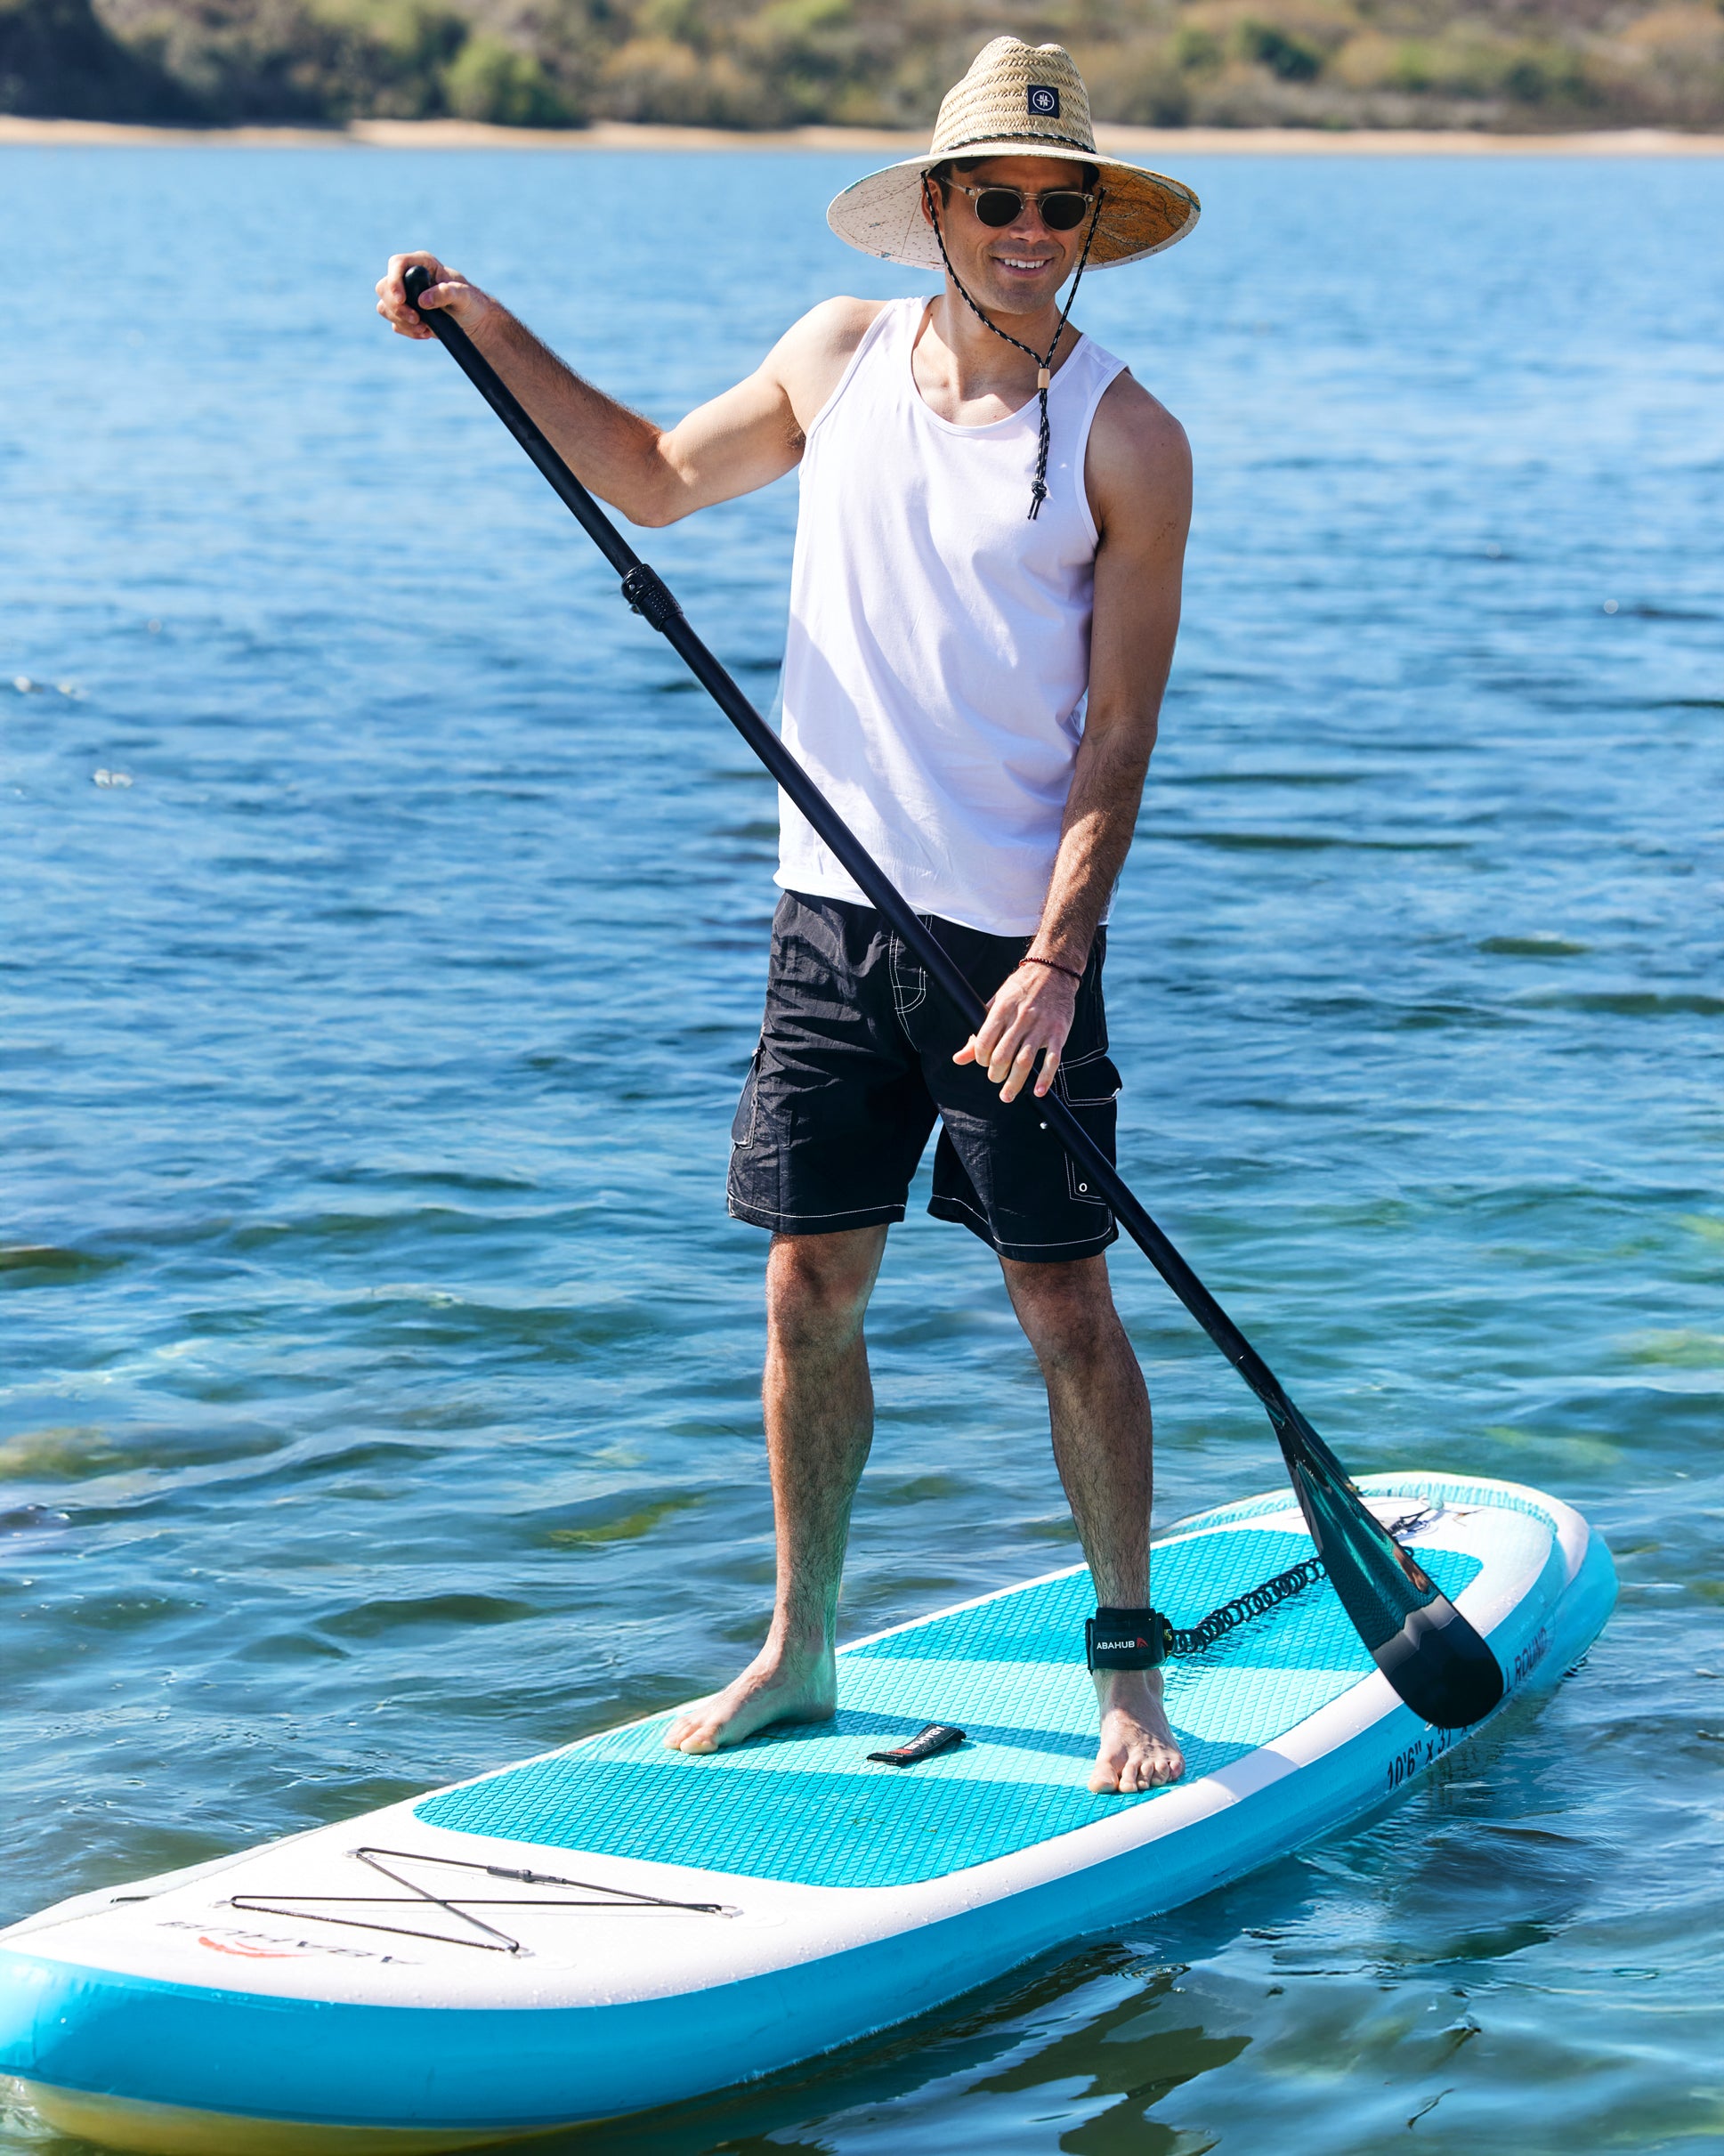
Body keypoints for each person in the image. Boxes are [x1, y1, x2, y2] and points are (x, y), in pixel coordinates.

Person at [376, 37, 1199, 1794]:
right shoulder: (839, 357)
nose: (1034, 228)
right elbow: (659, 475)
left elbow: (1121, 731)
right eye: (1002, 198)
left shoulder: (1129, 436)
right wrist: (486, 326)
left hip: (1013, 948)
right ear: (938, 208)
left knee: (1063, 1307)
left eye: (1065, 204)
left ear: (1092, 224)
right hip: (829, 919)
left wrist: (1059, 955)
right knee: (807, 1290)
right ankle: (801, 1640)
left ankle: (1127, 1660)